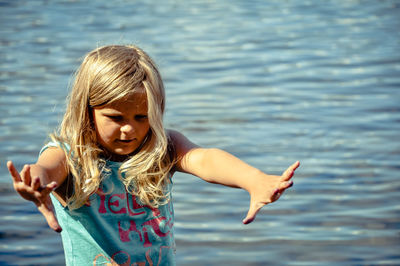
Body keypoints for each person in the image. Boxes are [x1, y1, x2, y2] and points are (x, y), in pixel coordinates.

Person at [7, 44, 300, 265]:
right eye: (116, 117)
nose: (129, 130)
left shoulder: (161, 148)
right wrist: (34, 183)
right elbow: (47, 167)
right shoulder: (72, 155)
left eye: (141, 116)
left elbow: (205, 158)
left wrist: (254, 180)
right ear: (88, 111)